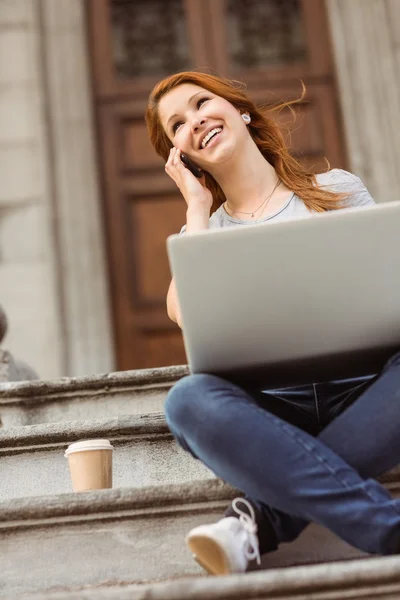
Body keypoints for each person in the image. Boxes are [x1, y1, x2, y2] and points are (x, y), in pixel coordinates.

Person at [145, 71, 400, 575]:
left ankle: (257, 521)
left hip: (365, 391)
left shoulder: (337, 190)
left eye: (201, 104)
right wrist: (196, 209)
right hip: (275, 413)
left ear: (239, 110)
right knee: (188, 401)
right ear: (181, 156)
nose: (194, 121)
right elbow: (185, 314)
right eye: (178, 124)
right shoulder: (201, 233)